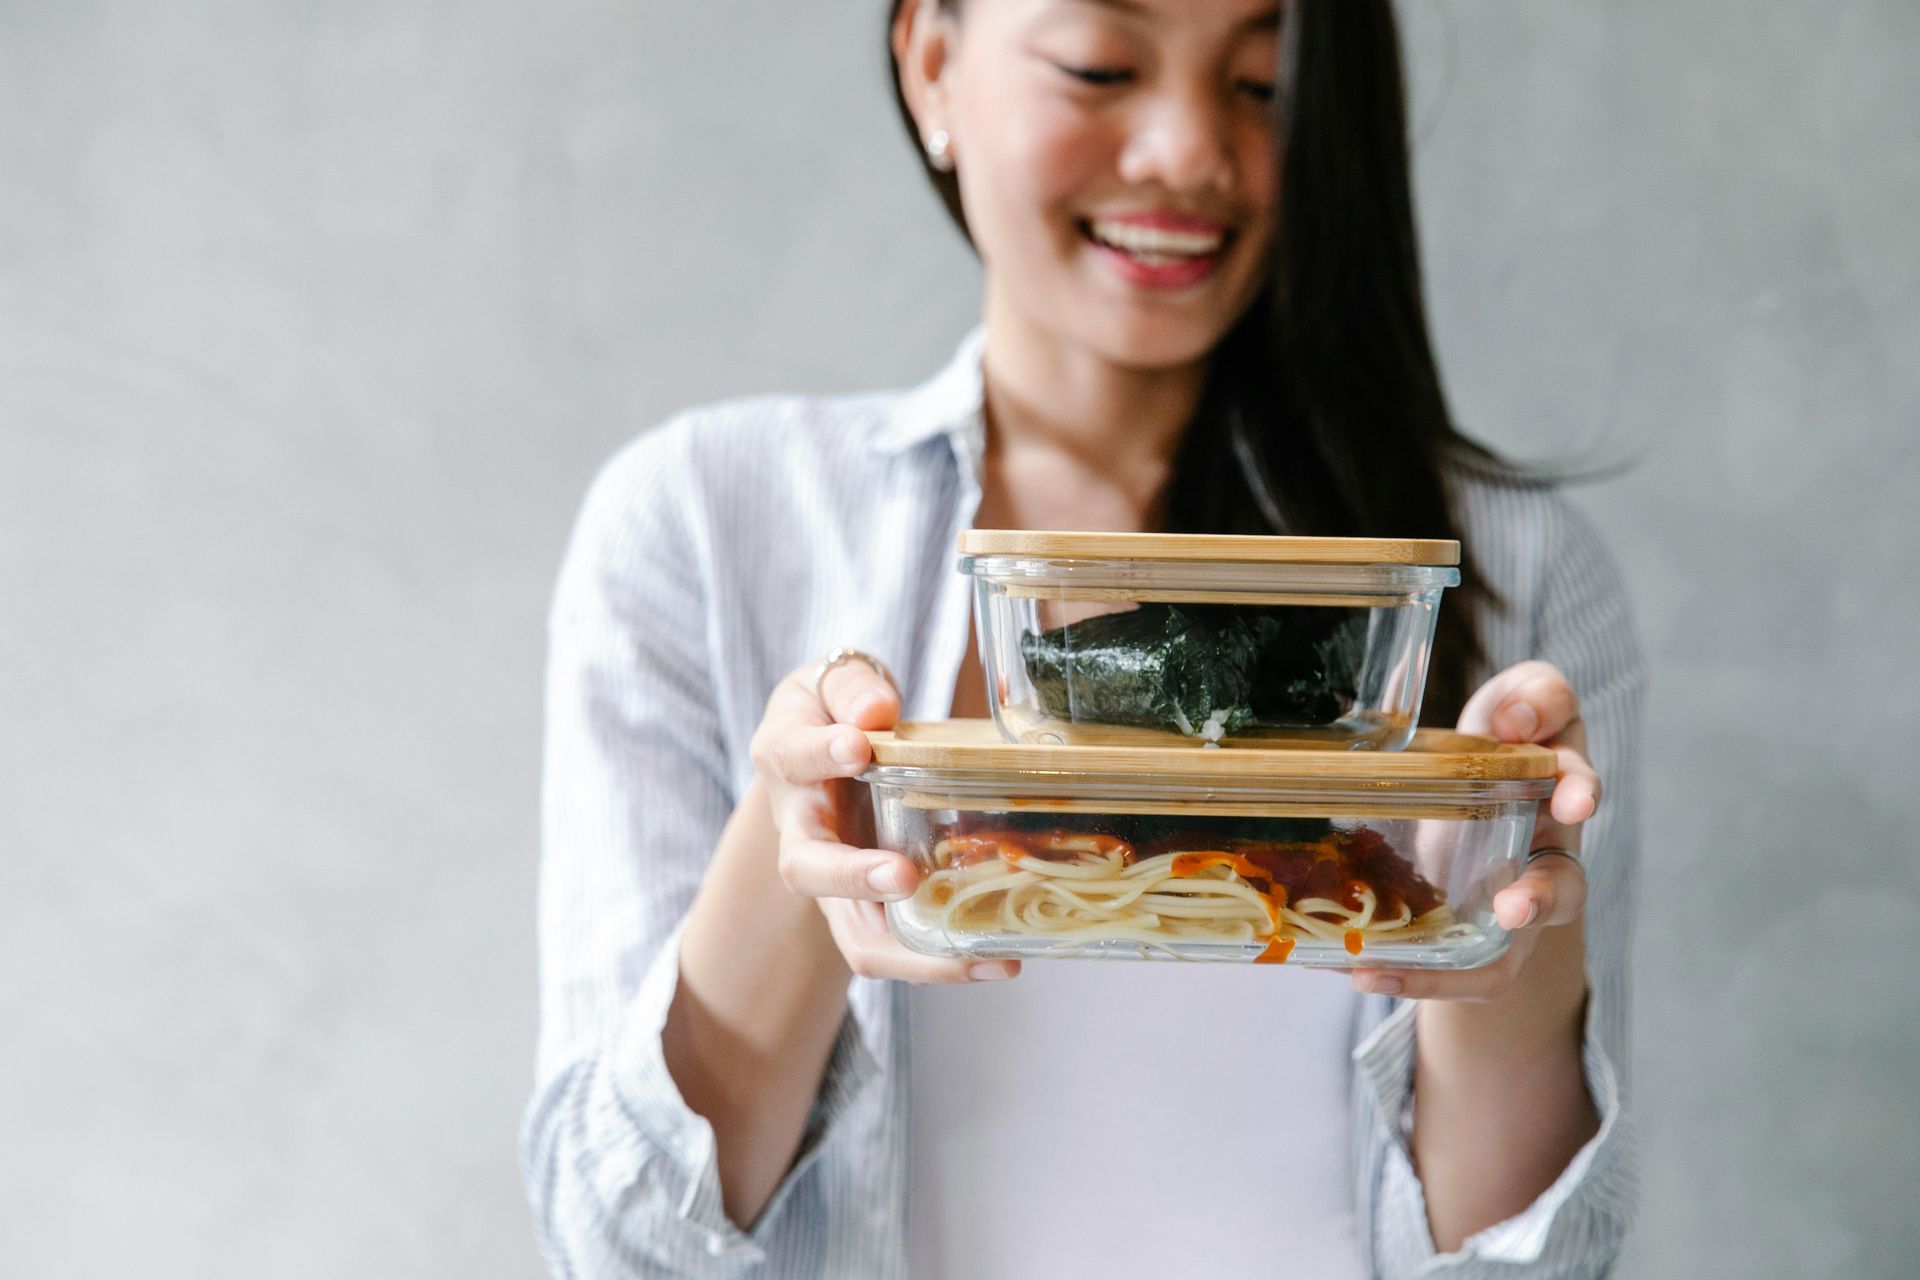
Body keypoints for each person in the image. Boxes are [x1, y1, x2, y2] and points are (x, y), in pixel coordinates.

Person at [519, 0, 1644, 1275]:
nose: (1188, 152)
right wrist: (802, 836)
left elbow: (1549, 1265)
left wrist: (1497, 915)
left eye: (1265, 83)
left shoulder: (1509, 577)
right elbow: (619, 1244)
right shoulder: (702, 525)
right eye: (1102, 65)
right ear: (932, 64)